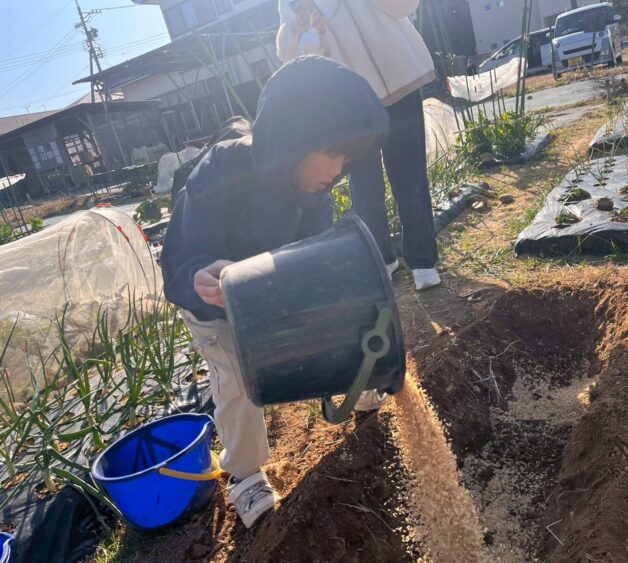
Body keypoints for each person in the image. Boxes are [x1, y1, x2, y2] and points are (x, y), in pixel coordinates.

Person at [160, 56, 389, 528]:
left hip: (269, 292)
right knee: (236, 379)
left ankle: (353, 384)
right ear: (292, 138)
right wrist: (199, 275)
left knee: (329, 320)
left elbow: (314, 265)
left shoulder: (315, 197)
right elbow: (180, 259)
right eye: (331, 152)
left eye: (347, 159)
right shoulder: (222, 169)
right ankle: (244, 474)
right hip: (213, 303)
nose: (337, 169)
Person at [277, 0, 442, 291]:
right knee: (365, 187)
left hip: (400, 78)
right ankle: (382, 259)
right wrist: (298, 30)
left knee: (411, 178)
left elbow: (405, 7)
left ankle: (423, 261)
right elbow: (291, 55)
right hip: (349, 102)